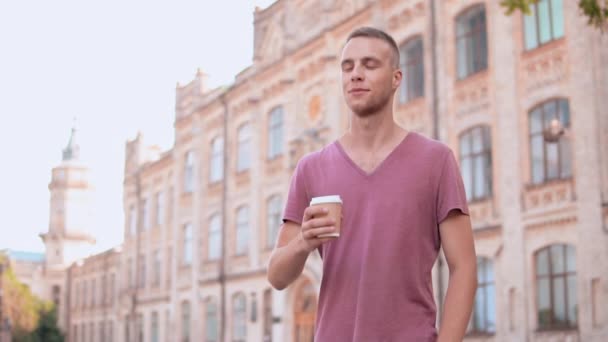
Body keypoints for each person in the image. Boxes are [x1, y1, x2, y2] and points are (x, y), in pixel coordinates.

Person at [267, 27, 477, 342]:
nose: (356, 74)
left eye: (369, 64)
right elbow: (277, 276)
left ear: (396, 78)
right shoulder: (311, 168)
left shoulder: (436, 161)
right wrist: (303, 243)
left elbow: (464, 266)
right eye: (347, 66)